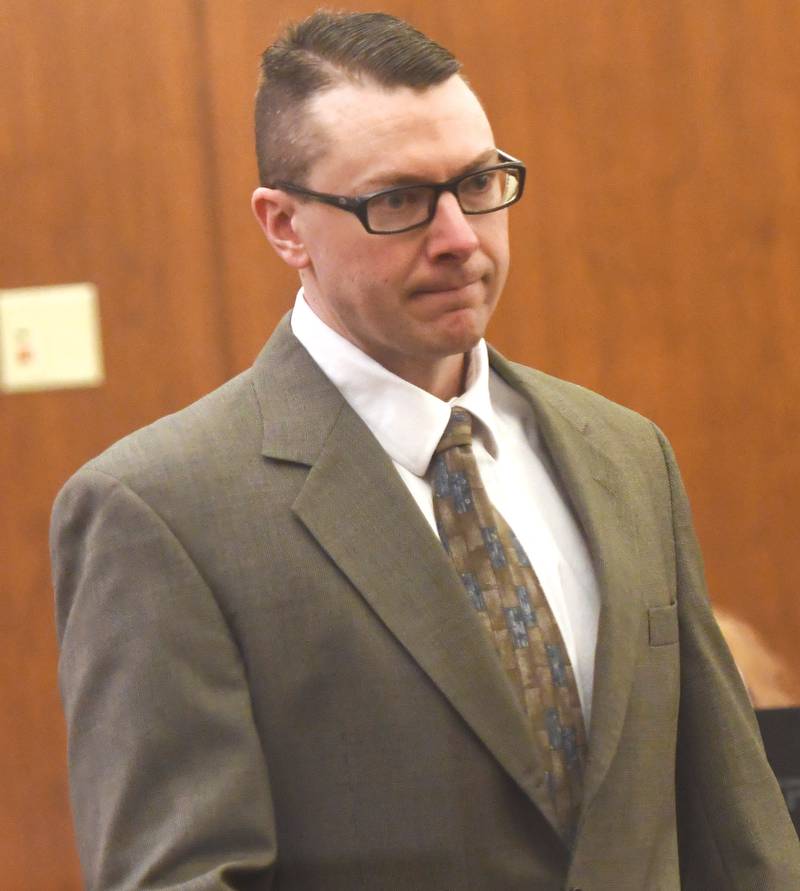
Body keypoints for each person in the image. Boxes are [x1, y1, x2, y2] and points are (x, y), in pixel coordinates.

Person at [51, 10, 799, 891]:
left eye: (479, 183)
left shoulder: (627, 454)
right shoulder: (159, 511)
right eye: (398, 201)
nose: (459, 238)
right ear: (284, 224)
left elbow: (734, 825)